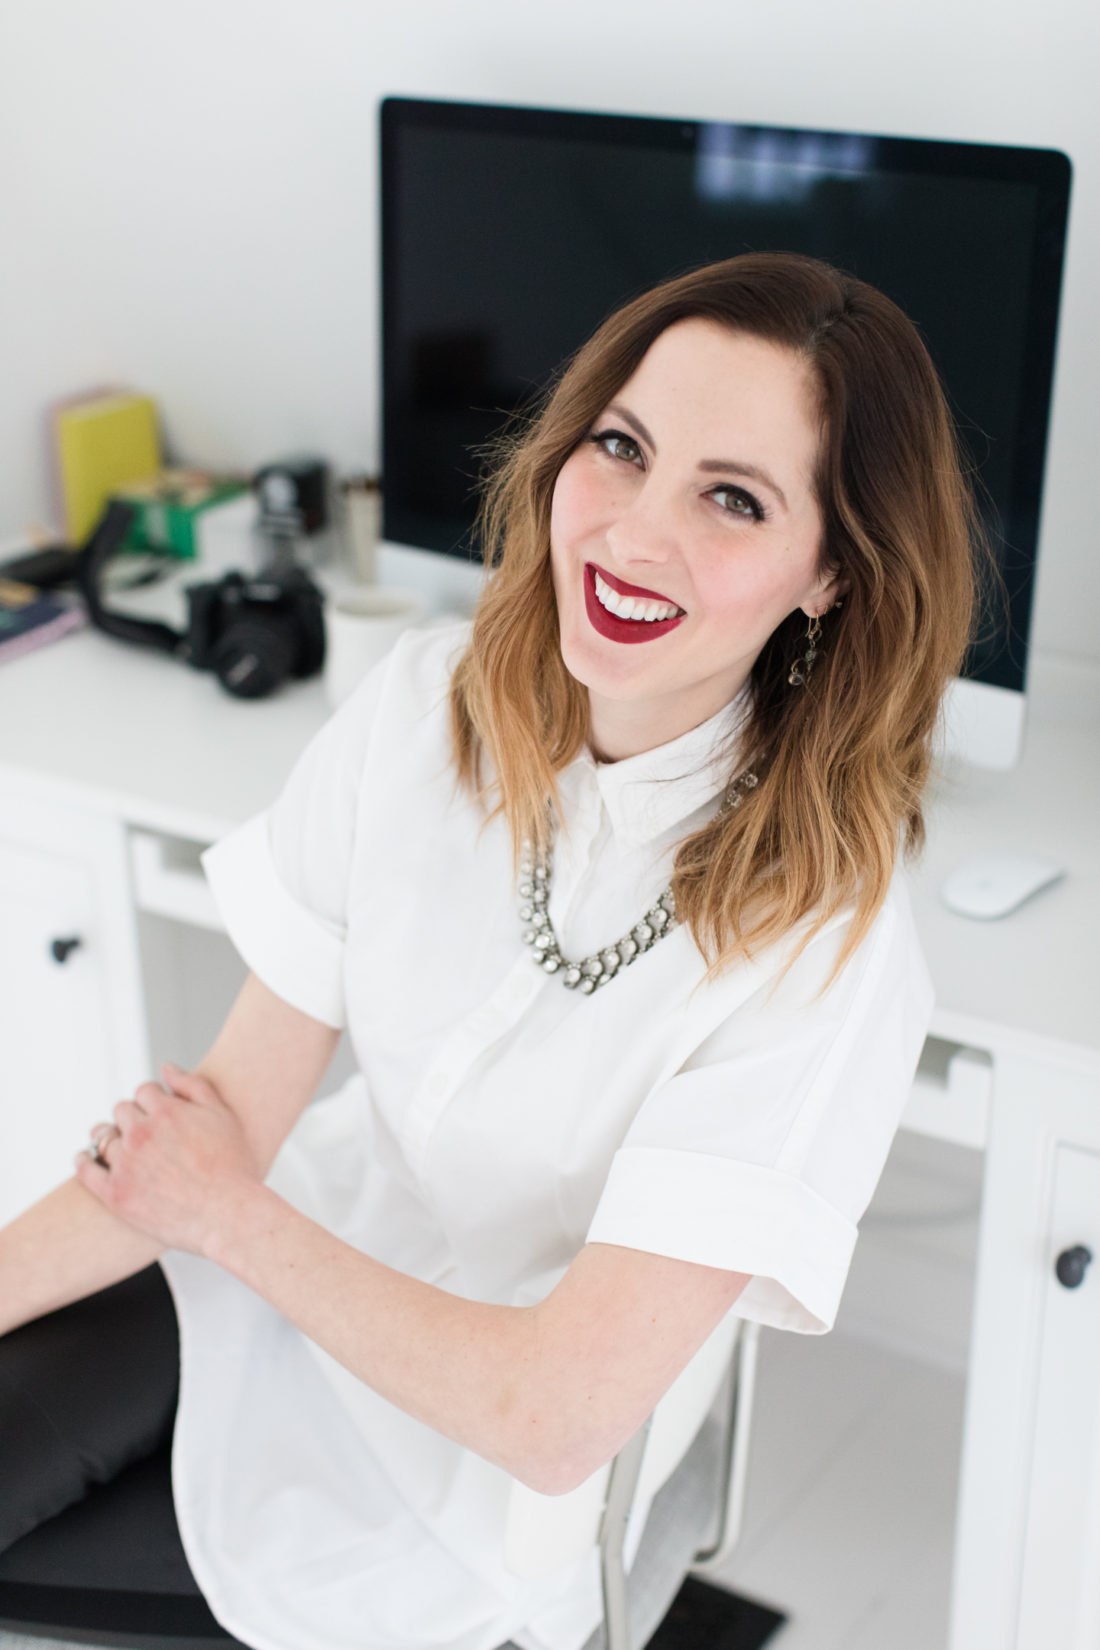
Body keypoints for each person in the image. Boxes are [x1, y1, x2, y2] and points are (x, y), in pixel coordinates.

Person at [0, 251, 977, 1650]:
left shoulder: (830, 945)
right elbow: (219, 1123)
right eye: (624, 448)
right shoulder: (418, 711)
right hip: (287, 1252)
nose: (636, 532)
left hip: (453, 1471)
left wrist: (225, 1212)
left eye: (733, 497)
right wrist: (204, 1209)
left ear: (832, 573)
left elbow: (553, 1414)